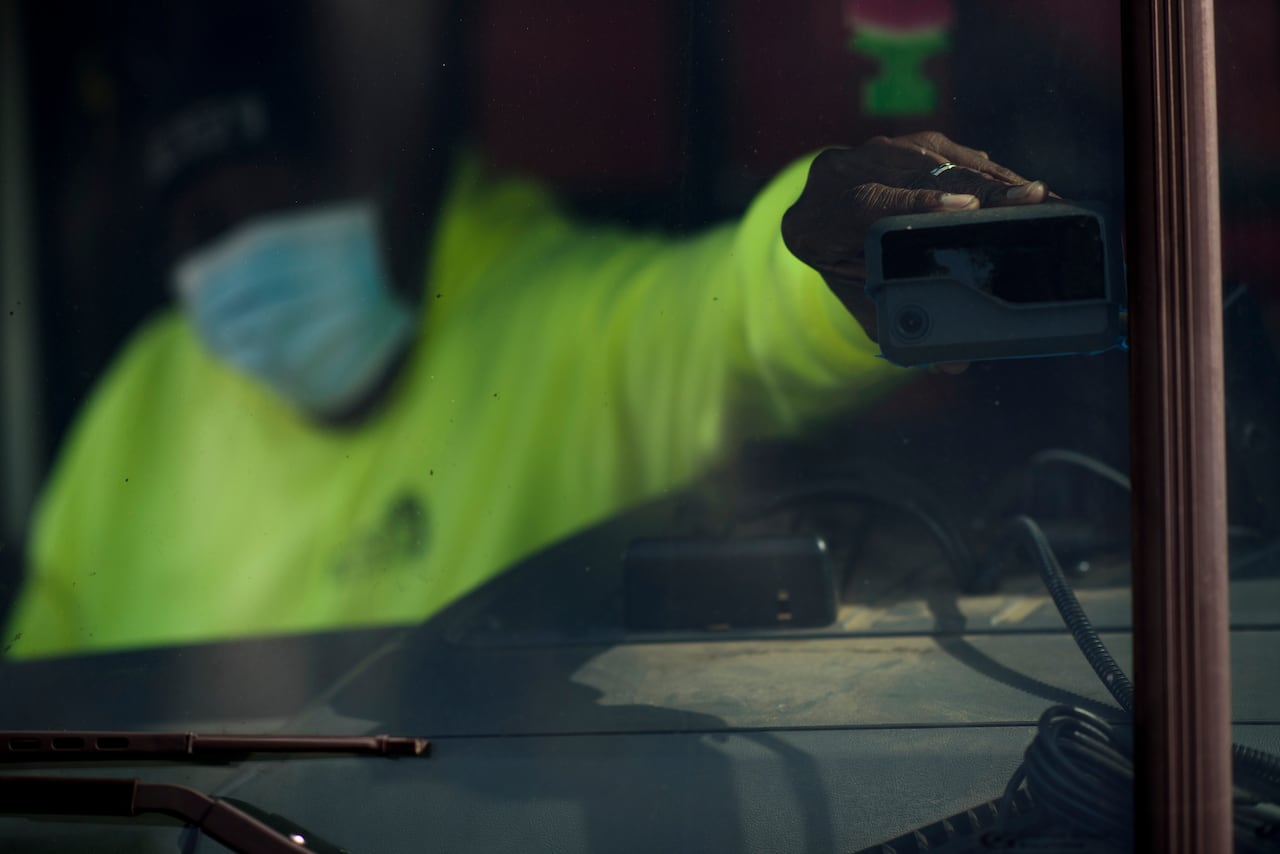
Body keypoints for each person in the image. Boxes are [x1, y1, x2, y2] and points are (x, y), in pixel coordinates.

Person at [2, 3, 1049, 659]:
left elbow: (734, 317)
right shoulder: (139, 407)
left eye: (273, 212)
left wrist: (836, 251)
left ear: (383, 181)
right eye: (202, 232)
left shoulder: (562, 321)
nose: (236, 264)